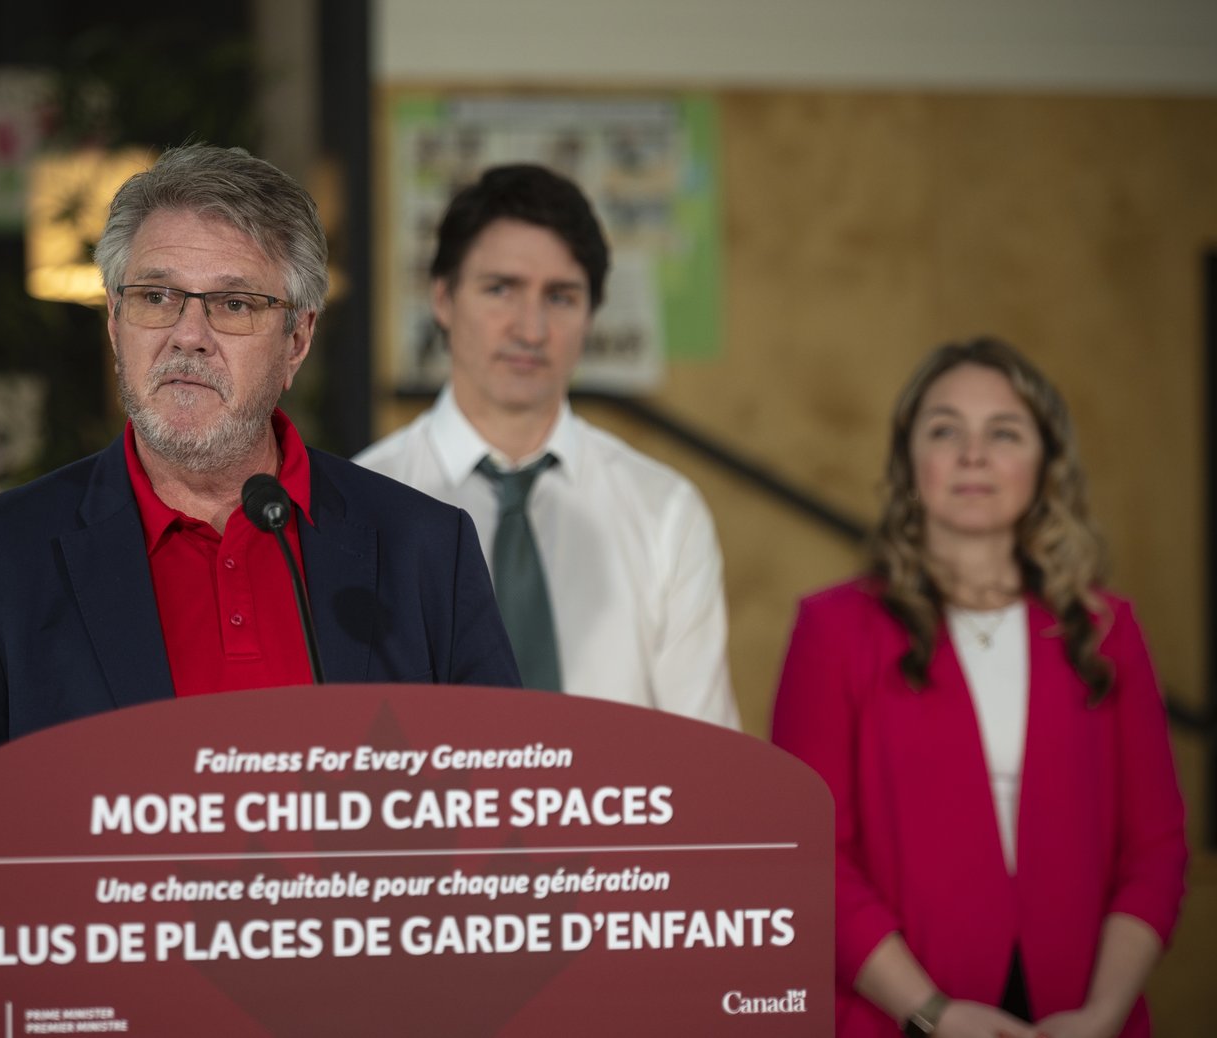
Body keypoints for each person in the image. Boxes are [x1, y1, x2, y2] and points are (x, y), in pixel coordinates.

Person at [0, 144, 519, 919]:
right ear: (113, 321)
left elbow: (505, 831)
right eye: (155, 297)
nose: (187, 334)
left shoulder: (423, 550)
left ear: (298, 339)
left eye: (234, 304)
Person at [771, 338, 1186, 1038]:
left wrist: (1103, 1015)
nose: (973, 454)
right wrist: (930, 1013)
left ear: (1045, 463)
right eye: (944, 430)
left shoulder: (1109, 632)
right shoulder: (832, 630)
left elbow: (1156, 851)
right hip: (899, 1017)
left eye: (1004, 432)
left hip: (1083, 1021)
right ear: (910, 463)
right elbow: (807, 854)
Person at [355, 164, 739, 729]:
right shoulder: (361, 504)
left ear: (591, 315)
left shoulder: (664, 511)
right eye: (500, 289)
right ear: (442, 298)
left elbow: (707, 756)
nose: (530, 329)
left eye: (561, 297)